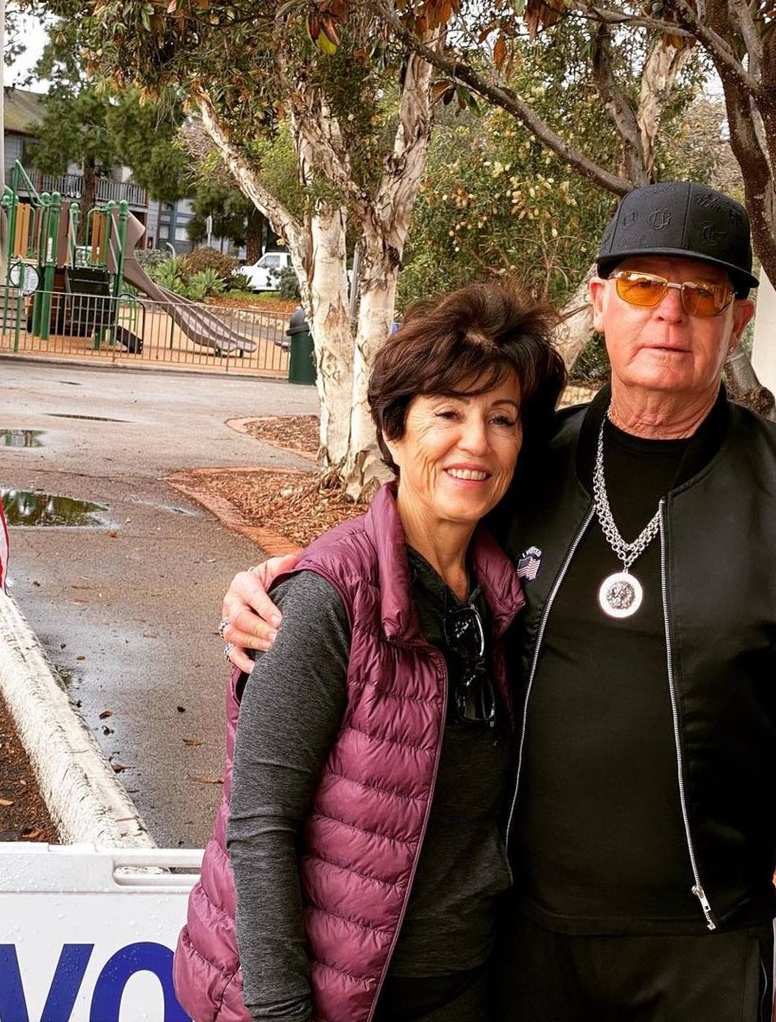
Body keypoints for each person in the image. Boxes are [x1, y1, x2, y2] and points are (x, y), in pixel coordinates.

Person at [221, 182, 776, 1022]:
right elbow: (410, 537)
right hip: (515, 943)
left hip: (706, 944)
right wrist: (284, 581)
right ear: (601, 298)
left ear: (740, 319)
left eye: (702, 294)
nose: (670, 317)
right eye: (645, 287)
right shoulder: (525, 463)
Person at [173, 282, 567, 1022]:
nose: (475, 443)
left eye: (502, 419)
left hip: (462, 980)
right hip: (337, 995)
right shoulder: (325, 600)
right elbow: (258, 826)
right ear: (394, 431)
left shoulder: (503, 594)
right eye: (447, 414)